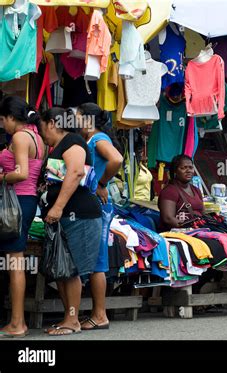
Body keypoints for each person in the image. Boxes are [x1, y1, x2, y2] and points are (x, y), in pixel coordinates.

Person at [39, 108, 102, 336]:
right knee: (63, 268)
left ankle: (72, 320)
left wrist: (57, 207)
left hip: (79, 214)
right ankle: (69, 317)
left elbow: (75, 172)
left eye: (42, 126)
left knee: (72, 268)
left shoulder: (73, 141)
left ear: (52, 123)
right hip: (67, 215)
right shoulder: (60, 146)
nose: (41, 132)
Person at [0, 97, 45, 338]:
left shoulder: (19, 137)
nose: (2, 125)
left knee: (15, 263)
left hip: (15, 203)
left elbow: (22, 173)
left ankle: (17, 323)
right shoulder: (36, 136)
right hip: (26, 203)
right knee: (14, 262)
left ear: (11, 117)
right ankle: (18, 322)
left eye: (2, 120)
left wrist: (0, 178)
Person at [77, 103, 123, 331]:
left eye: (77, 117)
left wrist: (101, 183)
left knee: (98, 261)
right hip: (96, 204)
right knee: (97, 260)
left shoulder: (97, 139)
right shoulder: (93, 139)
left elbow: (116, 159)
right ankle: (97, 313)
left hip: (99, 204)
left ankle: (100, 315)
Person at [158, 154, 203, 231]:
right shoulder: (170, 191)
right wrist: (190, 228)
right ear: (175, 171)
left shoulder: (196, 190)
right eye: (183, 168)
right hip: (179, 232)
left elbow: (202, 213)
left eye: (190, 168)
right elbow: (168, 218)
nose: (188, 171)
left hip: (197, 229)